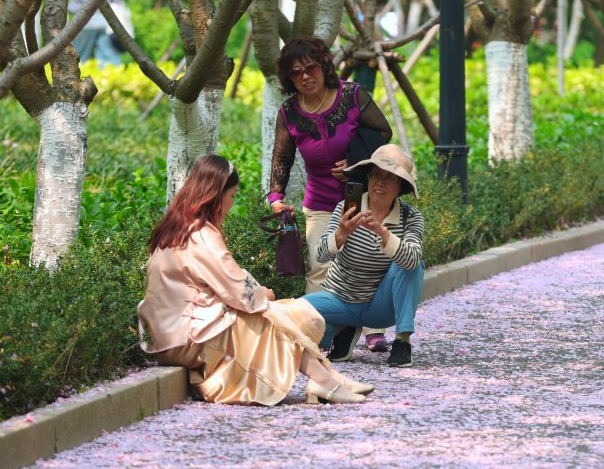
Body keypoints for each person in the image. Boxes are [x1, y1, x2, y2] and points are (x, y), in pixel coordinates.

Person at [138, 154, 373, 406]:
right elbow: (238, 289)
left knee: (276, 314)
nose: (231, 203)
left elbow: (225, 282)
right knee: (270, 316)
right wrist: (263, 294)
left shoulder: (178, 227)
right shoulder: (201, 233)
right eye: (232, 195)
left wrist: (258, 296)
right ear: (216, 195)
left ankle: (327, 377)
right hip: (188, 337)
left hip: (170, 336)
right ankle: (326, 379)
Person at [267, 36, 394, 354]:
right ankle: (317, 332)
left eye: (310, 68)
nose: (305, 76)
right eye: (296, 72)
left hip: (360, 196)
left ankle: (373, 329)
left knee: (367, 261)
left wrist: (354, 161)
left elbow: (383, 132)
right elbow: (282, 157)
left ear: (324, 66)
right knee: (319, 265)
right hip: (320, 200)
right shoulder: (289, 112)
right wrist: (275, 197)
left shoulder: (352, 95)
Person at [303, 144, 424, 369]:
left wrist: (383, 233)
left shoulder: (411, 217)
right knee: (297, 313)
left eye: (390, 177)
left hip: (380, 308)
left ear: (400, 186)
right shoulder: (346, 208)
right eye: (376, 174)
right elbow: (319, 256)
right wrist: (341, 233)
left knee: (412, 263)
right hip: (340, 299)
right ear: (367, 178)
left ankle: (403, 340)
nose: (381, 182)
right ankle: (343, 329)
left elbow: (412, 261)